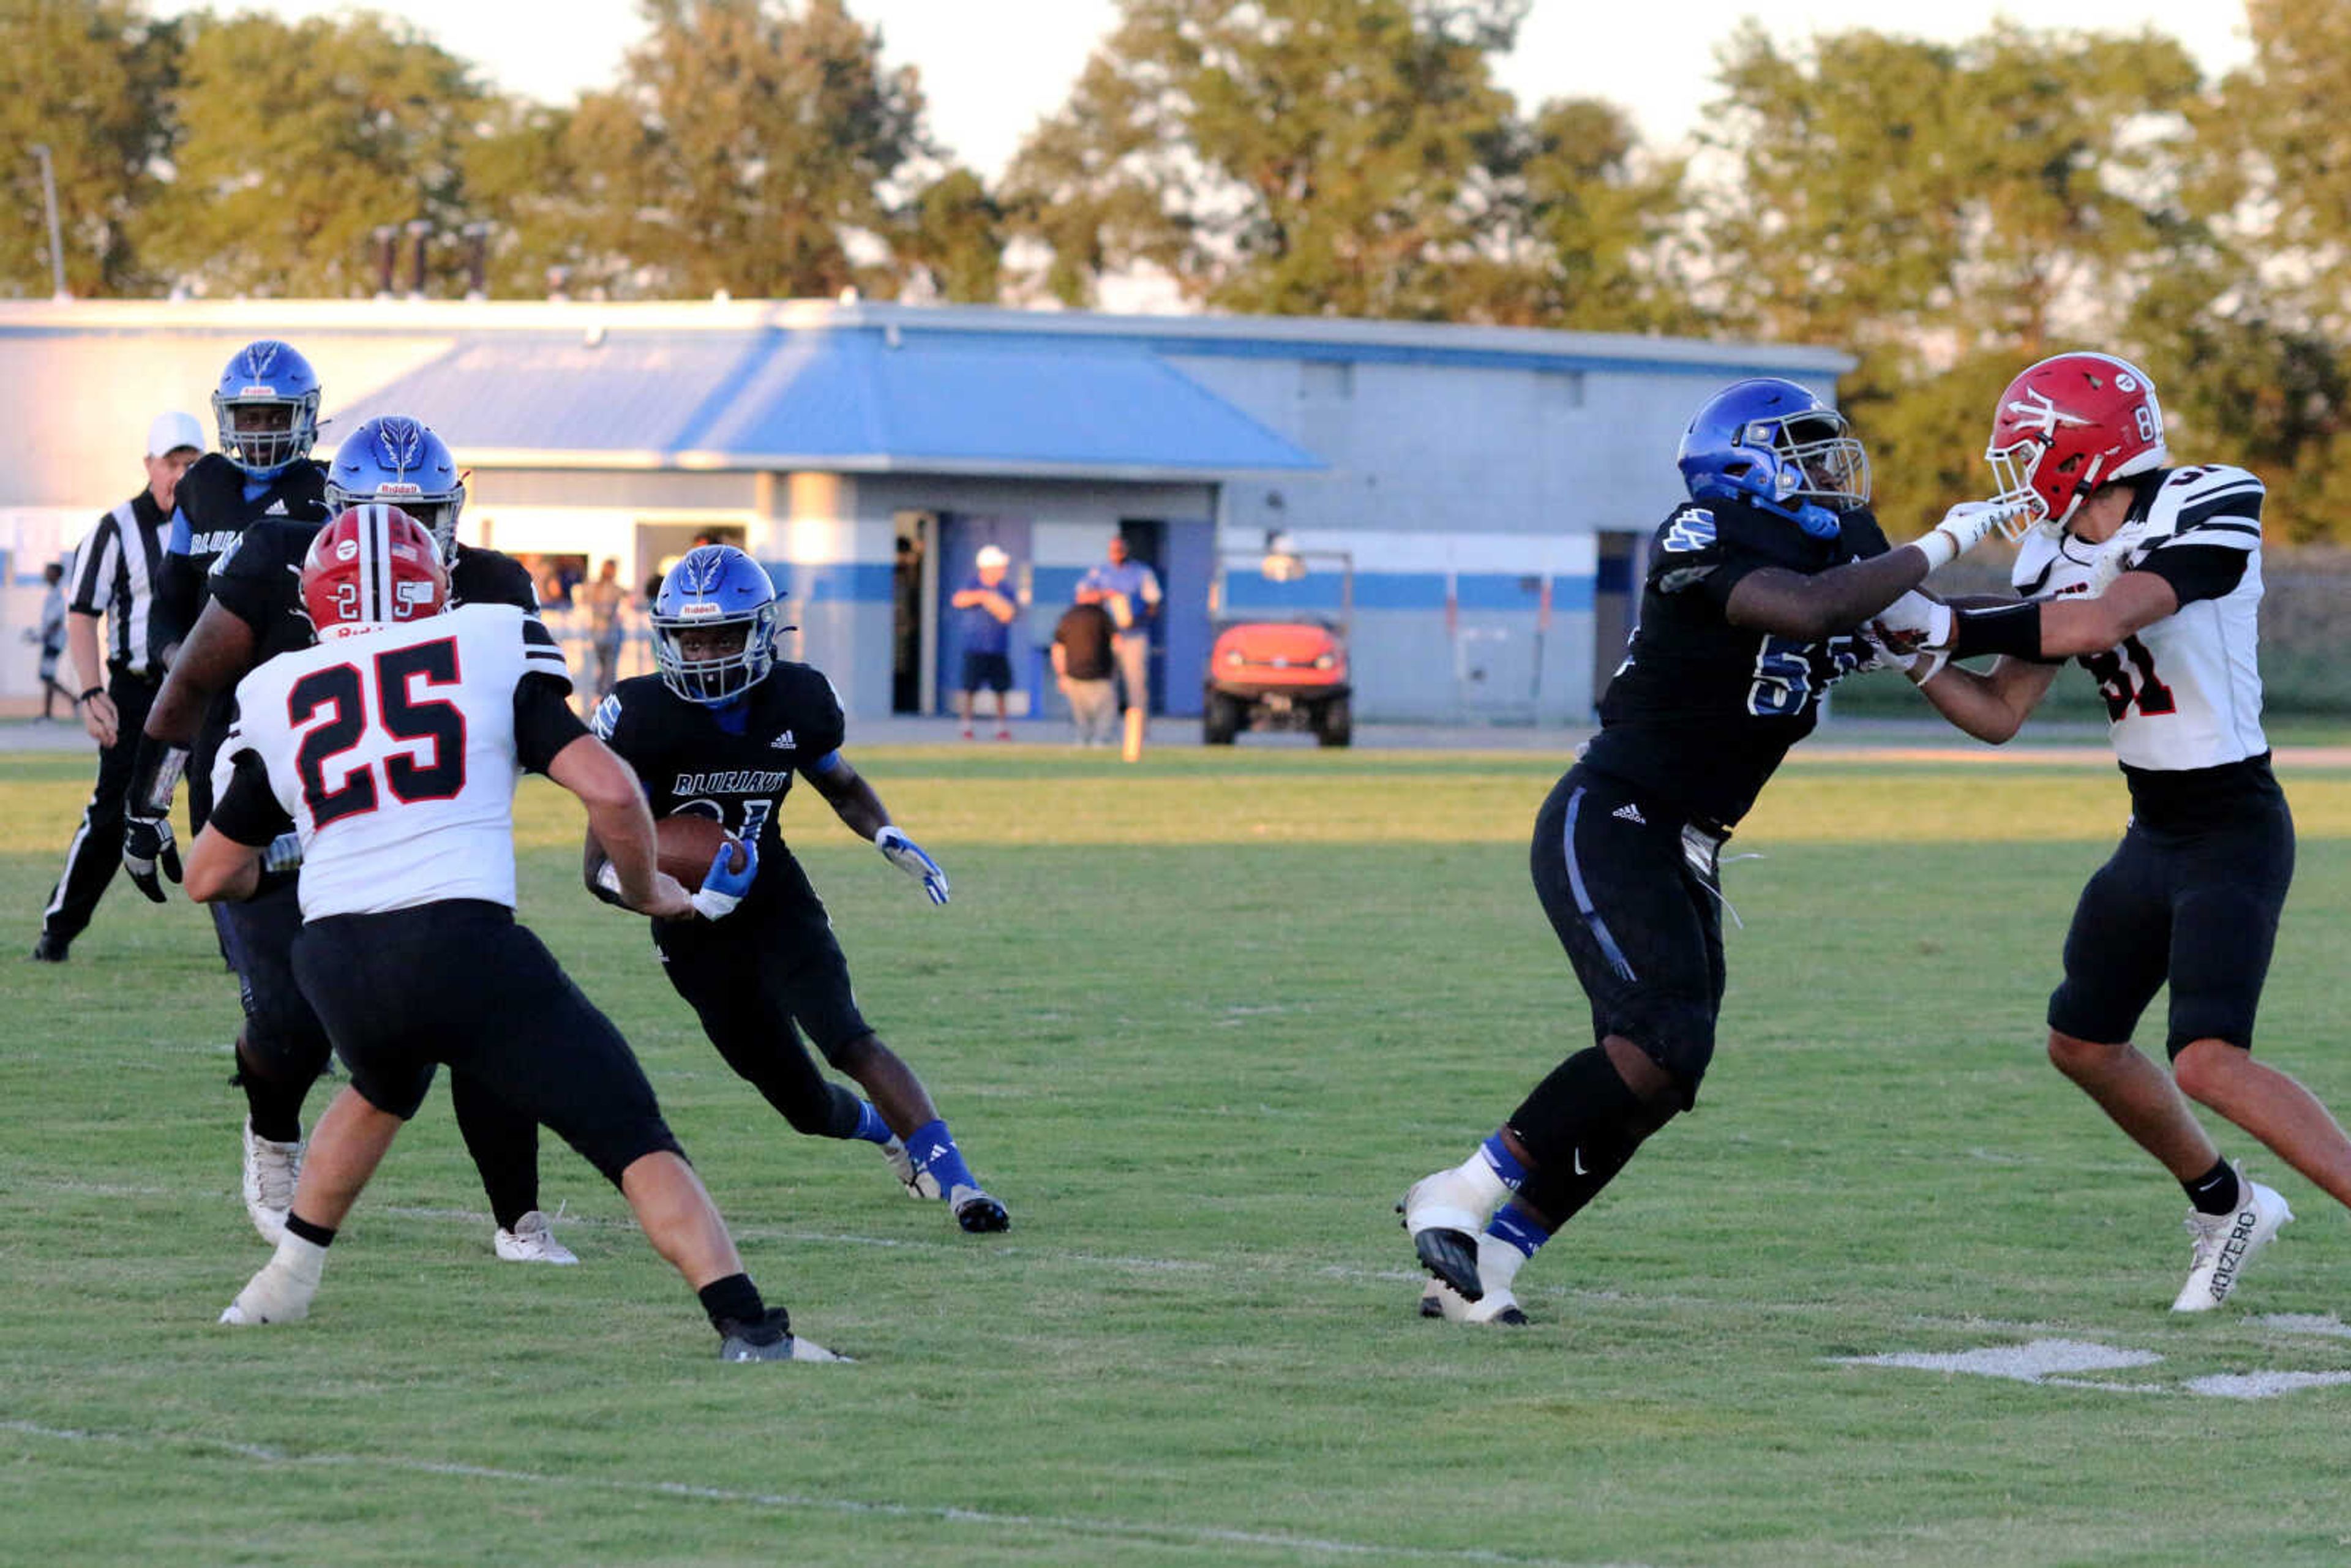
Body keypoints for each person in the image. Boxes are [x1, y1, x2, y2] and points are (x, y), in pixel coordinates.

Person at [1397, 377, 2014, 1324]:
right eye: (1801, 451)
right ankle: (1462, 1192)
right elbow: (1808, 612)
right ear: (1741, 465)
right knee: (1652, 1037)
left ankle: (1492, 1262)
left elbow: (1925, 624)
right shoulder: (1700, 530)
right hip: (1614, 811)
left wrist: (2069, 611)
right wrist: (1947, 536)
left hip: (1691, 837)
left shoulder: (1844, 542)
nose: (1828, 469)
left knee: (1669, 1070)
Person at [184, 505, 830, 1361]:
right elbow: (611, 792)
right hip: (462, 942)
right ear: (434, 586)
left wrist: (322, 853)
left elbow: (209, 875)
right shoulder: (487, 638)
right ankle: (750, 1329)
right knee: (631, 1131)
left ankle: (282, 1284)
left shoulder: (277, 689)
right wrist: (649, 891)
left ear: (316, 600)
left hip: (335, 961)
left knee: (381, 1083)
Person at [1867, 350, 2350, 1313]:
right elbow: (2002, 714)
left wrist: (1940, 621)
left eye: (2029, 445)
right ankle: (2226, 1203)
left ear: (2082, 447)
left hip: (2232, 824)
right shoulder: (2050, 548)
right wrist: (1914, 654)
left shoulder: (2207, 498)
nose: (2016, 466)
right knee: (2081, 1042)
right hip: (2152, 828)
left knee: (2209, 1058)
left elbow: (2102, 623)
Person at [128, 411, 568, 1265]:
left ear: (454, 514)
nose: (396, 541)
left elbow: (531, 719)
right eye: (374, 516)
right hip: (276, 808)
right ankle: (271, 1131)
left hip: (406, 820)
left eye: (422, 518)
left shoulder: (492, 583)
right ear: (331, 511)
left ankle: (519, 1218)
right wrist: (146, 805)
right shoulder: (273, 560)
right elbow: (188, 685)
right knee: (292, 1022)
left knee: (484, 1000)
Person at [585, 544, 1011, 1234]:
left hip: (775, 897)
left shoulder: (797, 698)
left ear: (761, 632)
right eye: (692, 640)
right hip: (689, 927)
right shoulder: (640, 716)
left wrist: (884, 832)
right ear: (668, 640)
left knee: (848, 1037)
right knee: (803, 1103)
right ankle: (884, 1135)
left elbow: (840, 784)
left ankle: (961, 1184)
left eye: (724, 635)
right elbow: (598, 869)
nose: (707, 654)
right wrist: (673, 897)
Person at [31, 412, 203, 962]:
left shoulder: (215, 524)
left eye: (190, 463)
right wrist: (88, 692)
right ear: (149, 465)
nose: (179, 474)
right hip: (135, 689)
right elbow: (82, 613)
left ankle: (242, 947)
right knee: (111, 818)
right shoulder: (116, 529)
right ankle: (57, 932)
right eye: (171, 463)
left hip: (201, 686)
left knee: (224, 808)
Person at [1079, 536, 1161, 761]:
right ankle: (1106, 732)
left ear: (1126, 551)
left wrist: (1138, 618)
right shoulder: (1100, 573)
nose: (1116, 554)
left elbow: (1154, 603)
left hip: (1133, 635)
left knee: (1136, 684)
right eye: (1113, 550)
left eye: (1120, 550)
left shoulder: (1140, 573)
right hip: (1105, 634)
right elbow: (1082, 595)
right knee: (1106, 685)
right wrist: (1106, 595)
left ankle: (1139, 733)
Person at [950, 544, 1018, 739]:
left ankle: (1001, 727)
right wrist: (985, 597)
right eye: (1000, 566)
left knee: (1001, 689)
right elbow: (958, 600)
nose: (1003, 570)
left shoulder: (1005, 588)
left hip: (998, 648)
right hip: (975, 647)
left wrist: (998, 603)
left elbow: (1010, 613)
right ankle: (966, 725)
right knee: (970, 688)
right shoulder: (973, 583)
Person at [1052, 590, 1119, 746]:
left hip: (1074, 674)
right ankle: (1101, 740)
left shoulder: (1067, 617)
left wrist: (1061, 674)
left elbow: (1058, 648)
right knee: (1104, 712)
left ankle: (1082, 740)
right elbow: (1117, 643)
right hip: (1101, 673)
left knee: (1080, 713)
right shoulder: (1102, 615)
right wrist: (1116, 669)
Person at [26, 561, 69, 720]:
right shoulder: (52, 593)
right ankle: (48, 713)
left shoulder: (58, 594)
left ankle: (74, 701)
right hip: (50, 640)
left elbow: (57, 622)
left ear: (57, 575)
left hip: (54, 642)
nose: (45, 574)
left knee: (46, 676)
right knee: (47, 676)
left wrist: (44, 636)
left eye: (49, 572)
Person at [583, 557, 628, 699]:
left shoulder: (594, 587)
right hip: (609, 633)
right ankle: (605, 697)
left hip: (598, 633)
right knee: (608, 670)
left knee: (602, 669)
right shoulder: (613, 588)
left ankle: (599, 696)